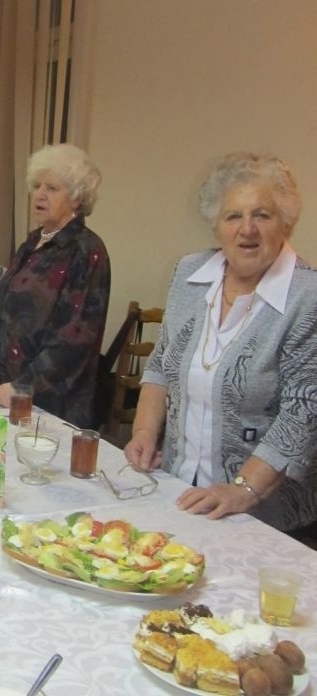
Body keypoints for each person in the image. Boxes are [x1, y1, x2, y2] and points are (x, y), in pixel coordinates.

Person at [124, 152, 317, 536]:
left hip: (263, 516)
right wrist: (144, 433)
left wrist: (243, 490)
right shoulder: (190, 274)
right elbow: (163, 364)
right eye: (233, 216)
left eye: (262, 215)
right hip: (180, 494)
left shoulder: (307, 297)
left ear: (286, 223)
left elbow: (303, 409)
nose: (247, 229)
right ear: (216, 225)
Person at [0, 144, 110, 428]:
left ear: (77, 198)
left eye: (52, 188)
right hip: (0, 391)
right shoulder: (34, 242)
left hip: (47, 406)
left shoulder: (86, 251)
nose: (40, 195)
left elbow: (73, 342)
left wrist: (23, 387)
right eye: (36, 185)